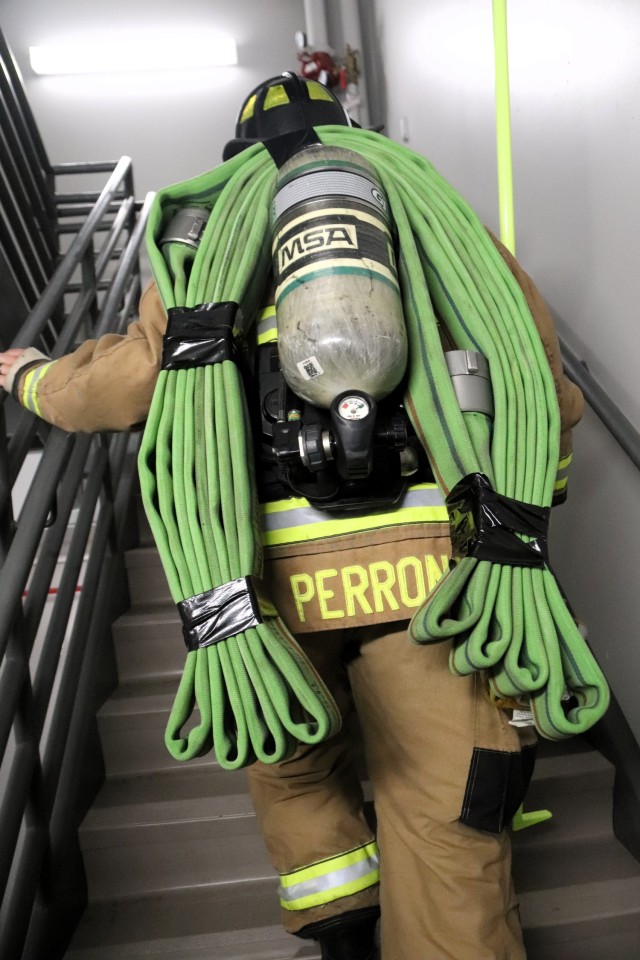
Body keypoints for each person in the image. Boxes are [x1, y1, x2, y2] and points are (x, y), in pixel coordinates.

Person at [0, 74, 584, 960]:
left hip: (265, 585)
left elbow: (126, 387)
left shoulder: (199, 243)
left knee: (292, 759)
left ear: (237, 158)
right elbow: (540, 382)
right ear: (346, 134)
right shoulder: (432, 225)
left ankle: (343, 938)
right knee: (450, 814)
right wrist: (532, 510)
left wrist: (29, 377)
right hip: (437, 580)